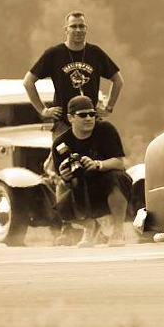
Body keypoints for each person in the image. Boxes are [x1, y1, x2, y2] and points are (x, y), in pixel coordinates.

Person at [24, 11, 123, 137]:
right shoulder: (54, 54)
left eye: (81, 26)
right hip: (63, 123)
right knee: (62, 155)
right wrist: (43, 110)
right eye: (73, 26)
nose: (78, 30)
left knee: (93, 156)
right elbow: (28, 82)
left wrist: (109, 107)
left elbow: (118, 80)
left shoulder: (95, 53)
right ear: (66, 30)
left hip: (90, 121)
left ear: (86, 29)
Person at [51, 95, 132, 247]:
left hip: (108, 186)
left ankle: (118, 231)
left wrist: (97, 164)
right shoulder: (60, 143)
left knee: (117, 176)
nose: (89, 118)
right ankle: (88, 227)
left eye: (92, 114)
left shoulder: (106, 130)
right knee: (61, 187)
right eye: (82, 115)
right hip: (82, 188)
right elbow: (60, 177)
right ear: (70, 118)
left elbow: (120, 163)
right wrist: (64, 175)